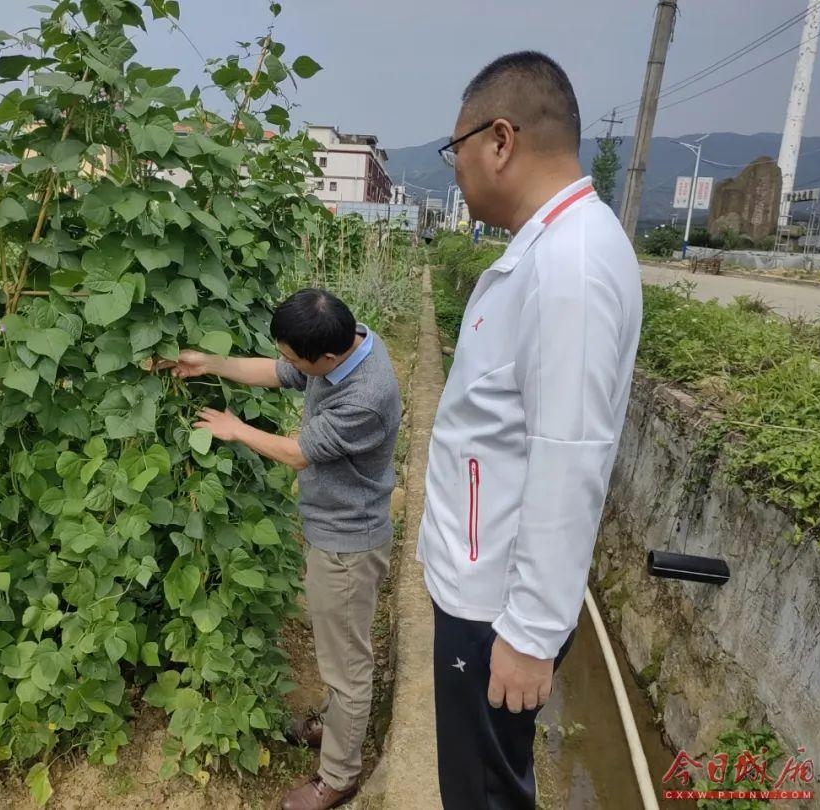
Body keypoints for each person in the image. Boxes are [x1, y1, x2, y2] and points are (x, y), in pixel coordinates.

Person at [417, 52, 643, 809]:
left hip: (496, 615)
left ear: (501, 140)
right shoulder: (547, 249)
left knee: (485, 796)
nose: (456, 169)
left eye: (457, 150)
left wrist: (530, 636)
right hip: (484, 590)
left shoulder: (569, 266)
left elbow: (568, 457)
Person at [161, 288, 401, 810]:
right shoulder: (345, 344)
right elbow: (277, 371)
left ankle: (338, 776)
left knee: (347, 664)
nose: (289, 363)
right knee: (337, 648)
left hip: (348, 542)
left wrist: (235, 429)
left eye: (296, 357)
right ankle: (330, 726)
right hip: (335, 528)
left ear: (329, 358)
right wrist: (211, 364)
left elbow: (297, 455)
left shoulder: (366, 395)